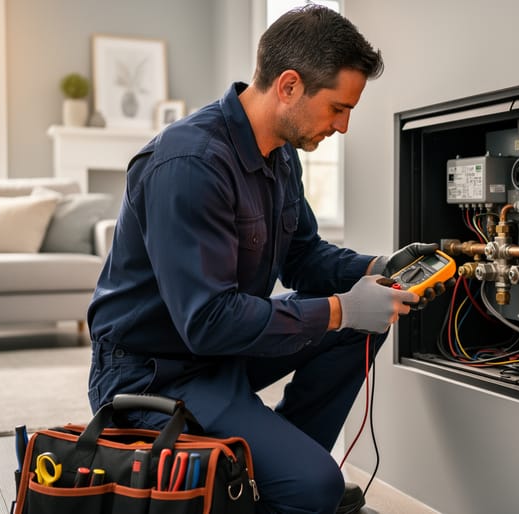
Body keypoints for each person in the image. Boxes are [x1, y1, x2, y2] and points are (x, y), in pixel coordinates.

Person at [87, 6, 442, 513]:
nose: (343, 126)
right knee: (318, 485)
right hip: (155, 373)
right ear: (289, 86)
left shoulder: (280, 153)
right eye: (338, 108)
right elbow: (208, 321)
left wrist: (377, 268)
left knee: (365, 323)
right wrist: (340, 309)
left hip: (219, 354)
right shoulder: (190, 164)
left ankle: (276, 472)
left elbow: (303, 257)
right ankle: (291, 480)